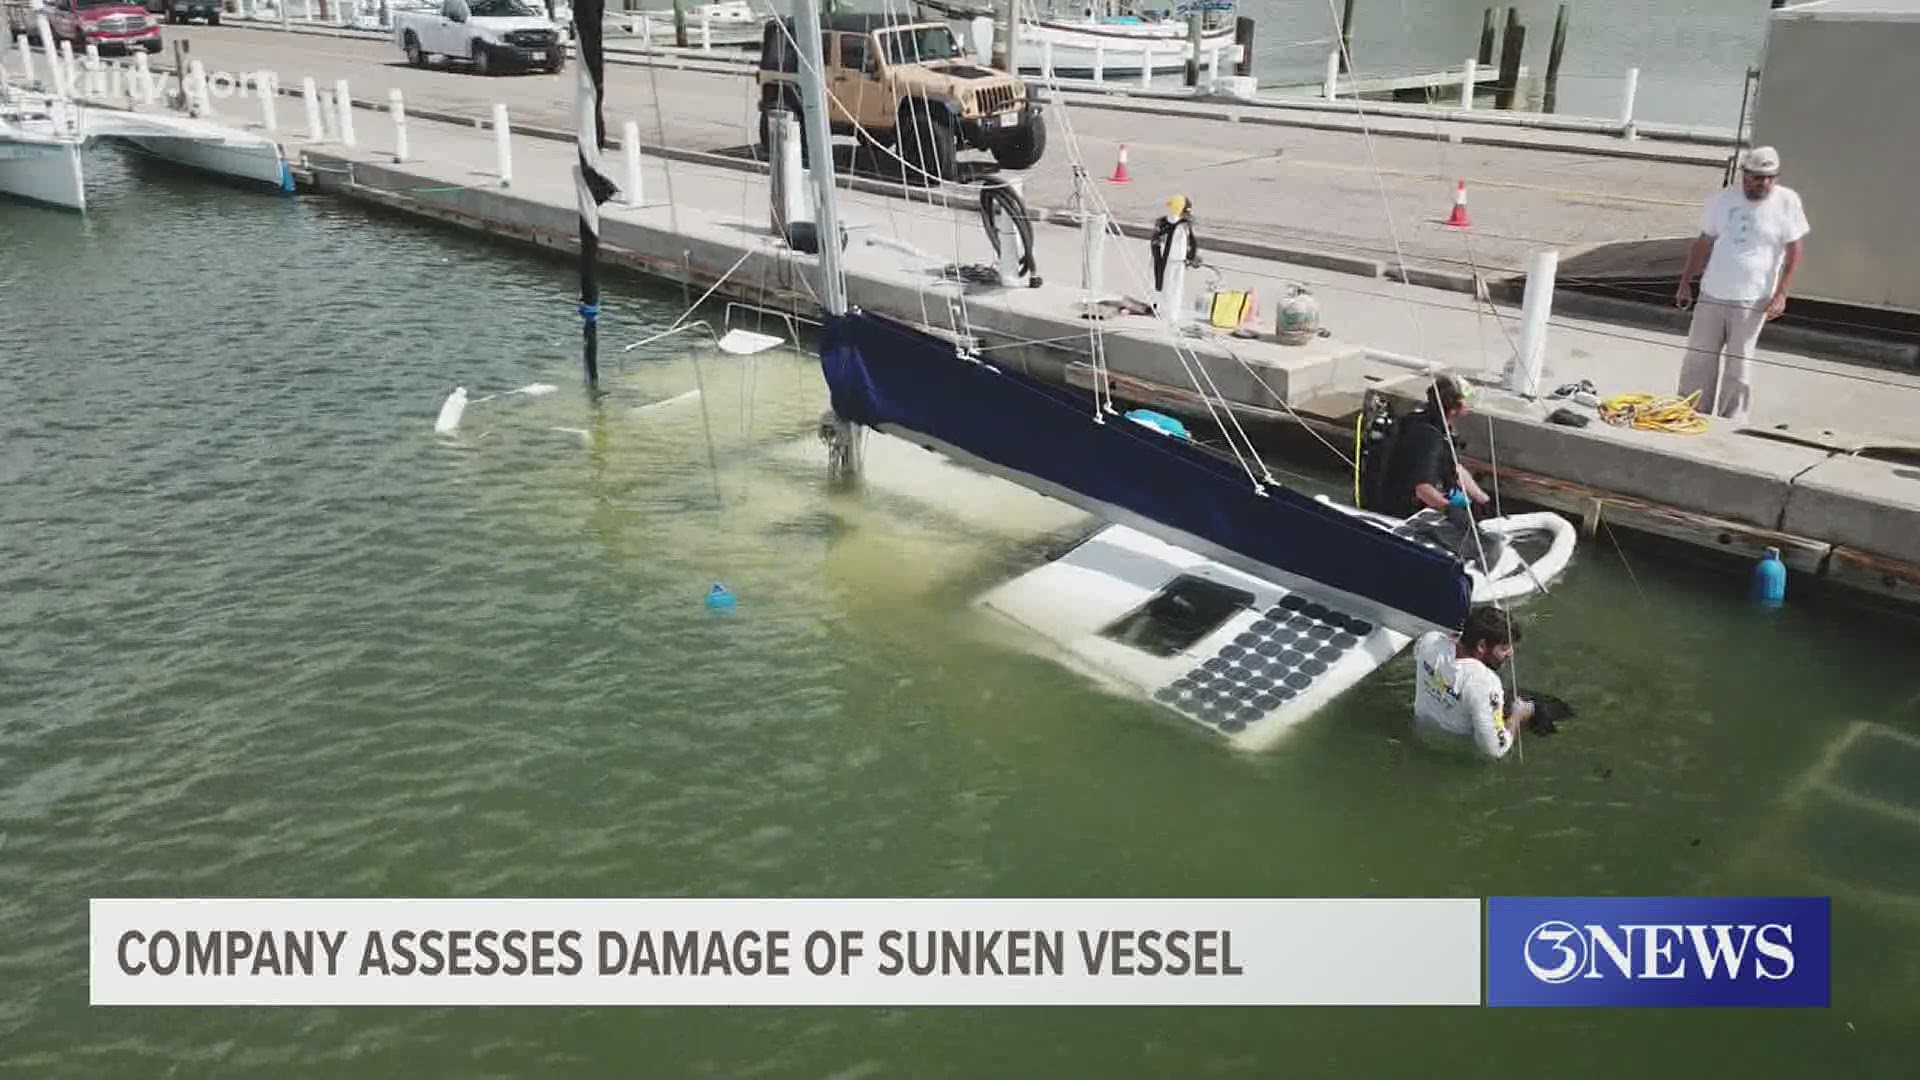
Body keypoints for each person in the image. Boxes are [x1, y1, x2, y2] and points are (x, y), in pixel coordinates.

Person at [1673, 146, 1809, 425]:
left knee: (1739, 366)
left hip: (1753, 298)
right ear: (1744, 175)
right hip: (1712, 293)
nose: (1765, 183)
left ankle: (1730, 422)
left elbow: (1794, 249)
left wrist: (1781, 294)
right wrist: (1685, 282)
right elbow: (1703, 243)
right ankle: (1690, 414)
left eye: (1771, 177)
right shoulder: (1720, 200)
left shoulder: (1788, 201)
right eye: (1758, 177)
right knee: (1698, 361)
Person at [1377, 374, 1502, 570]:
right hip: (1403, 508)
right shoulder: (1429, 438)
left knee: (1470, 507)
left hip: (1429, 496)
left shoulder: (1437, 425)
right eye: (1467, 399)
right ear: (1454, 407)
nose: (1471, 404)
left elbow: (1454, 468)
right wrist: (1450, 511)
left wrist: (1483, 499)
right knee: (1474, 536)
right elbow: (1422, 488)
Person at [1411, 606, 1534, 760]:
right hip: (1453, 757)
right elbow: (1495, 749)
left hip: (1419, 733)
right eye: (1504, 648)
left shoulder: (1430, 641)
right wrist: (1517, 716)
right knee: (1533, 707)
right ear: (1481, 646)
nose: (1510, 653)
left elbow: (1417, 654)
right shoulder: (1485, 683)